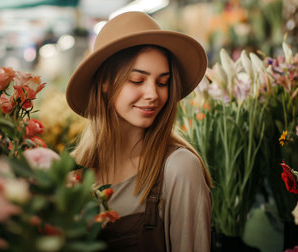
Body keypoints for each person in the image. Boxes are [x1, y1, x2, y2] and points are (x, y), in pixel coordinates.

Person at [65, 11, 213, 252]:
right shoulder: (75, 172)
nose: (153, 94)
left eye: (162, 82)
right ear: (104, 82)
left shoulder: (178, 169)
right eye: (137, 80)